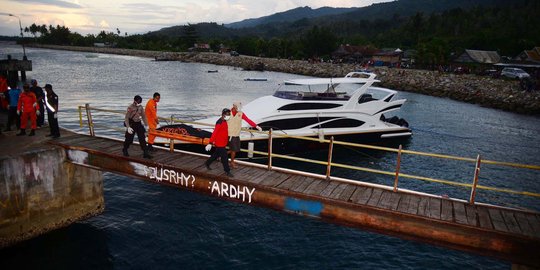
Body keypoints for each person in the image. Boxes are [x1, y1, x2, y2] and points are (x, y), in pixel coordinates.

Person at [227, 101, 262, 168]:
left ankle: (220, 155)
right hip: (229, 134)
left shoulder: (241, 114)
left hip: (236, 134)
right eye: (237, 107)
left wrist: (256, 126)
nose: (238, 109)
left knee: (234, 149)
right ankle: (232, 162)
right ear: (234, 106)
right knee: (234, 149)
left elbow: (248, 120)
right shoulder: (228, 113)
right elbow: (222, 121)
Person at [204, 108, 233, 177]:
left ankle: (207, 163)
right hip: (219, 144)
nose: (228, 116)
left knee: (216, 155)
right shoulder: (219, 123)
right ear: (223, 115)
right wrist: (210, 143)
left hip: (223, 142)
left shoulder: (225, 121)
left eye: (229, 114)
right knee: (225, 157)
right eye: (227, 114)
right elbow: (215, 133)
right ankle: (227, 171)